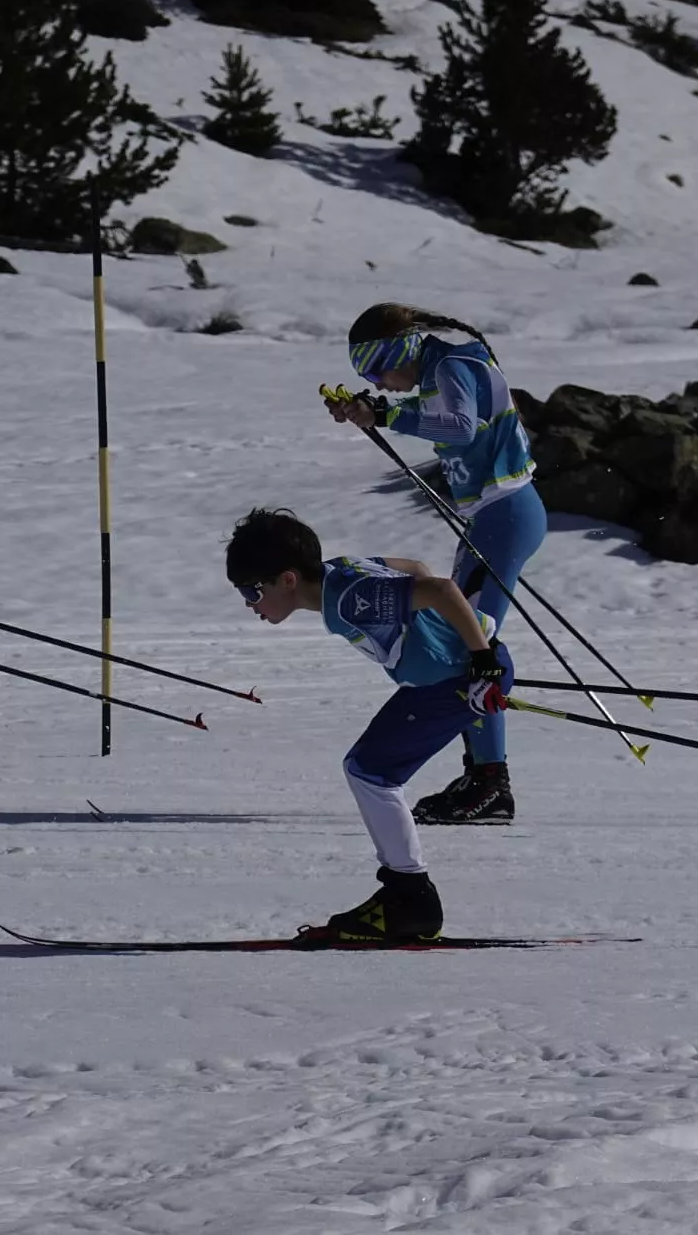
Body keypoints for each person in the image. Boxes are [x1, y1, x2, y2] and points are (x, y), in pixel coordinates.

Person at [225, 507, 513, 943]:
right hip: (455, 674)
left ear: (286, 580)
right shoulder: (341, 571)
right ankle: (407, 895)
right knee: (367, 769)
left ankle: (411, 899)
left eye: (252, 591)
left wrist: (481, 663)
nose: (250, 605)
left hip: (460, 678)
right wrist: (450, 644)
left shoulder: (348, 597)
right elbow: (414, 570)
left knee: (371, 772)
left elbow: (437, 588)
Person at [324, 303, 546, 825]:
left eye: (376, 367)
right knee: (467, 639)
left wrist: (385, 414)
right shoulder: (441, 367)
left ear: (398, 349)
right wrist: (373, 412)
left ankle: (492, 783)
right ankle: (484, 773)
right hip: (494, 516)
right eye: (365, 376)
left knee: (474, 645)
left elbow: (461, 428)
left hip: (504, 513)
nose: (380, 381)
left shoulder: (449, 366)